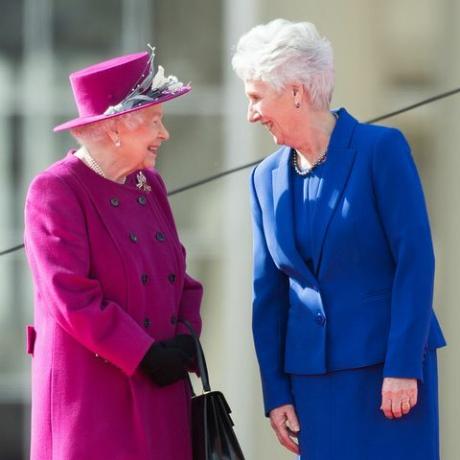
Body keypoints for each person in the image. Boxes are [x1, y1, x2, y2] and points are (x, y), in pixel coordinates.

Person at [232, 19, 446, 460]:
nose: (251, 113)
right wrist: (276, 393)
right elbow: (267, 296)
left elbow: (415, 261)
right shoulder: (264, 178)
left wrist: (403, 366)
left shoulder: (380, 150)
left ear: (295, 91)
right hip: (312, 382)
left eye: (255, 97)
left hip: (388, 376)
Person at [24, 48, 203, 460]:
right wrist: (143, 353)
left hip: (160, 393)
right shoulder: (56, 190)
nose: (164, 134)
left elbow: (181, 277)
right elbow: (70, 296)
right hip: (94, 402)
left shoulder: (149, 185)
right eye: (155, 122)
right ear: (117, 127)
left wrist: (185, 338)